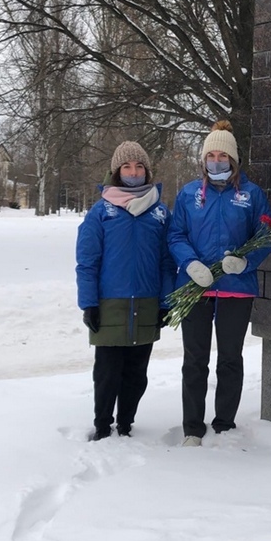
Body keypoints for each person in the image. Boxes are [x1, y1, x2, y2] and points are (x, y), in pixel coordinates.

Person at [168, 120, 271, 446]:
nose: (216, 161)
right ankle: (192, 429)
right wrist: (190, 262)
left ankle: (225, 423)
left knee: (230, 358)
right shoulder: (188, 194)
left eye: (222, 156)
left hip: (236, 288)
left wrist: (246, 261)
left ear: (233, 160)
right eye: (211, 155)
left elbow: (265, 237)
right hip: (195, 287)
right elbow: (175, 235)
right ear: (203, 159)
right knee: (195, 360)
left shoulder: (251, 194)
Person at [76, 140, 175, 440]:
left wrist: (165, 302)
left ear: (147, 170)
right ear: (117, 172)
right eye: (127, 167)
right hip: (110, 305)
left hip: (146, 303)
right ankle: (103, 425)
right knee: (107, 372)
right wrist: (88, 303)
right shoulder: (101, 212)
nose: (134, 171)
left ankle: (126, 423)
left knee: (136, 372)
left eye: (139, 166)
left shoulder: (159, 213)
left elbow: (167, 262)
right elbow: (87, 262)